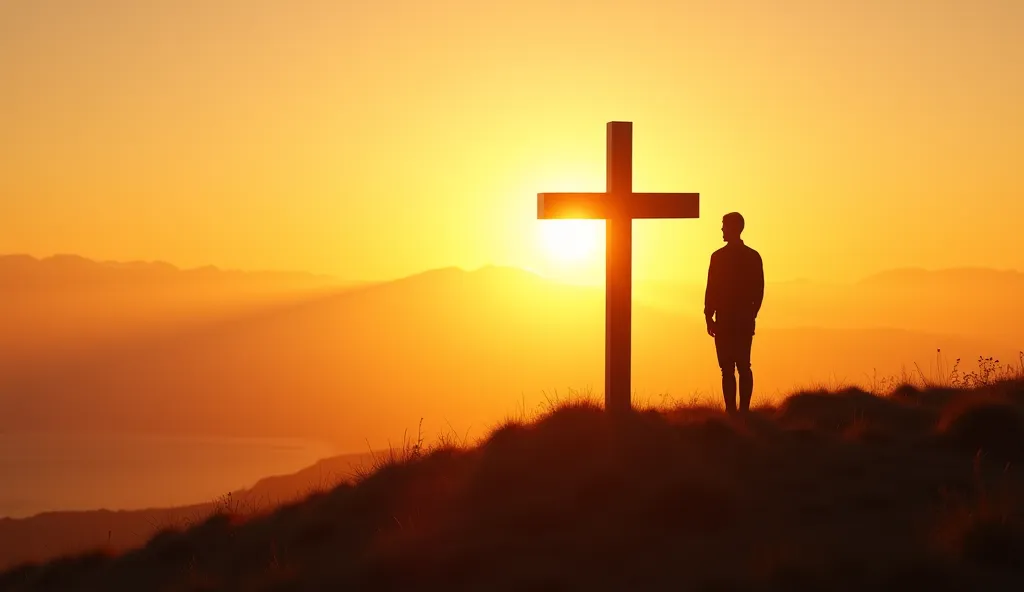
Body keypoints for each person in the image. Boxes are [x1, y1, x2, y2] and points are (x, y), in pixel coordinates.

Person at [704, 212, 764, 414]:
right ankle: (742, 412)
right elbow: (759, 290)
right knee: (742, 366)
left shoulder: (718, 257)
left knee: (729, 368)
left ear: (733, 228)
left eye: (724, 226)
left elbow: (711, 288)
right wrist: (751, 314)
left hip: (726, 320)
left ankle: (733, 412)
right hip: (741, 320)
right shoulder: (752, 257)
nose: (721, 229)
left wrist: (709, 316)